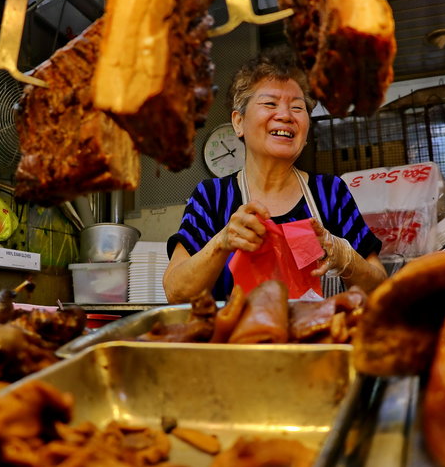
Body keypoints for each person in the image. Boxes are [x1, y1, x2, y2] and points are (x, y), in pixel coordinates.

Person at [164, 47, 387, 303]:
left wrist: (345, 256)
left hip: (317, 339)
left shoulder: (331, 192)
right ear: (238, 122)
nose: (285, 116)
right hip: (233, 341)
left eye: (297, 107)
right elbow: (175, 292)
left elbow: (380, 288)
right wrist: (222, 242)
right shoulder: (212, 197)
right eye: (270, 103)